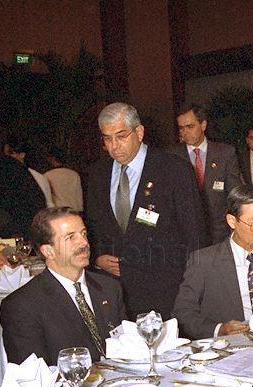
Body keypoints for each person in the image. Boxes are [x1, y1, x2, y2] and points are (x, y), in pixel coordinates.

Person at [85, 102, 205, 318]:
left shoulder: (173, 170)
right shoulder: (98, 174)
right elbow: (92, 226)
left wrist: (192, 291)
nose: (114, 146)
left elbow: (194, 234)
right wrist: (97, 257)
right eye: (107, 138)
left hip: (164, 290)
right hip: (114, 293)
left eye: (121, 136)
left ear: (139, 132)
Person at [0, 207, 126, 365]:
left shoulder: (109, 288)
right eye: (70, 237)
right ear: (48, 251)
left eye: (84, 233)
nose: (84, 242)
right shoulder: (22, 306)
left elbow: (126, 347)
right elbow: (33, 375)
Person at [172, 185, 253, 339]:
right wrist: (219, 329)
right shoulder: (204, 261)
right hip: (229, 349)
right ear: (232, 221)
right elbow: (183, 313)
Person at [170, 103, 241, 243]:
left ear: (203, 125)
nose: (185, 132)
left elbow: (235, 194)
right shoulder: (172, 156)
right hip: (186, 236)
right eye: (181, 128)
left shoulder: (225, 153)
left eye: (190, 127)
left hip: (220, 234)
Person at [4, 137, 54, 208]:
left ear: (22, 155)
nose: (6, 158)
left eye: (11, 154)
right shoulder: (2, 176)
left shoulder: (37, 178)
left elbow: (48, 206)